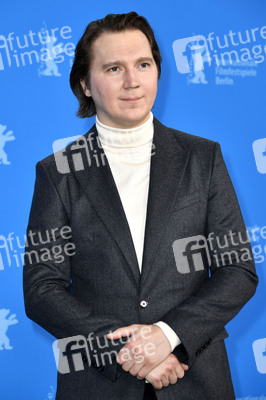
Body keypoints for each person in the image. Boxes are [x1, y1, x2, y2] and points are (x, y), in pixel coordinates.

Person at [23, 11, 258, 400]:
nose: (132, 81)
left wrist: (167, 337)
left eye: (143, 64)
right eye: (114, 68)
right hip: (98, 385)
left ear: (157, 71)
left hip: (194, 378)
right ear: (84, 83)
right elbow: (41, 290)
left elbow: (238, 271)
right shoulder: (57, 173)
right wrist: (128, 351)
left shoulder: (203, 158)